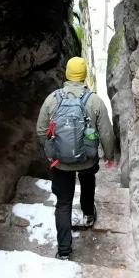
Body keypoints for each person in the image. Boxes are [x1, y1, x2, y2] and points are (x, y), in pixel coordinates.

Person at [36, 57, 116, 260]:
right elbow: (106, 133)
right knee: (88, 185)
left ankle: (64, 251)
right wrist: (109, 156)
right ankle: (88, 215)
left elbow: (41, 131)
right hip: (87, 159)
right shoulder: (94, 101)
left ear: (67, 74)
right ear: (84, 76)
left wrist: (52, 151)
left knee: (63, 204)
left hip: (61, 163)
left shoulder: (52, 99)